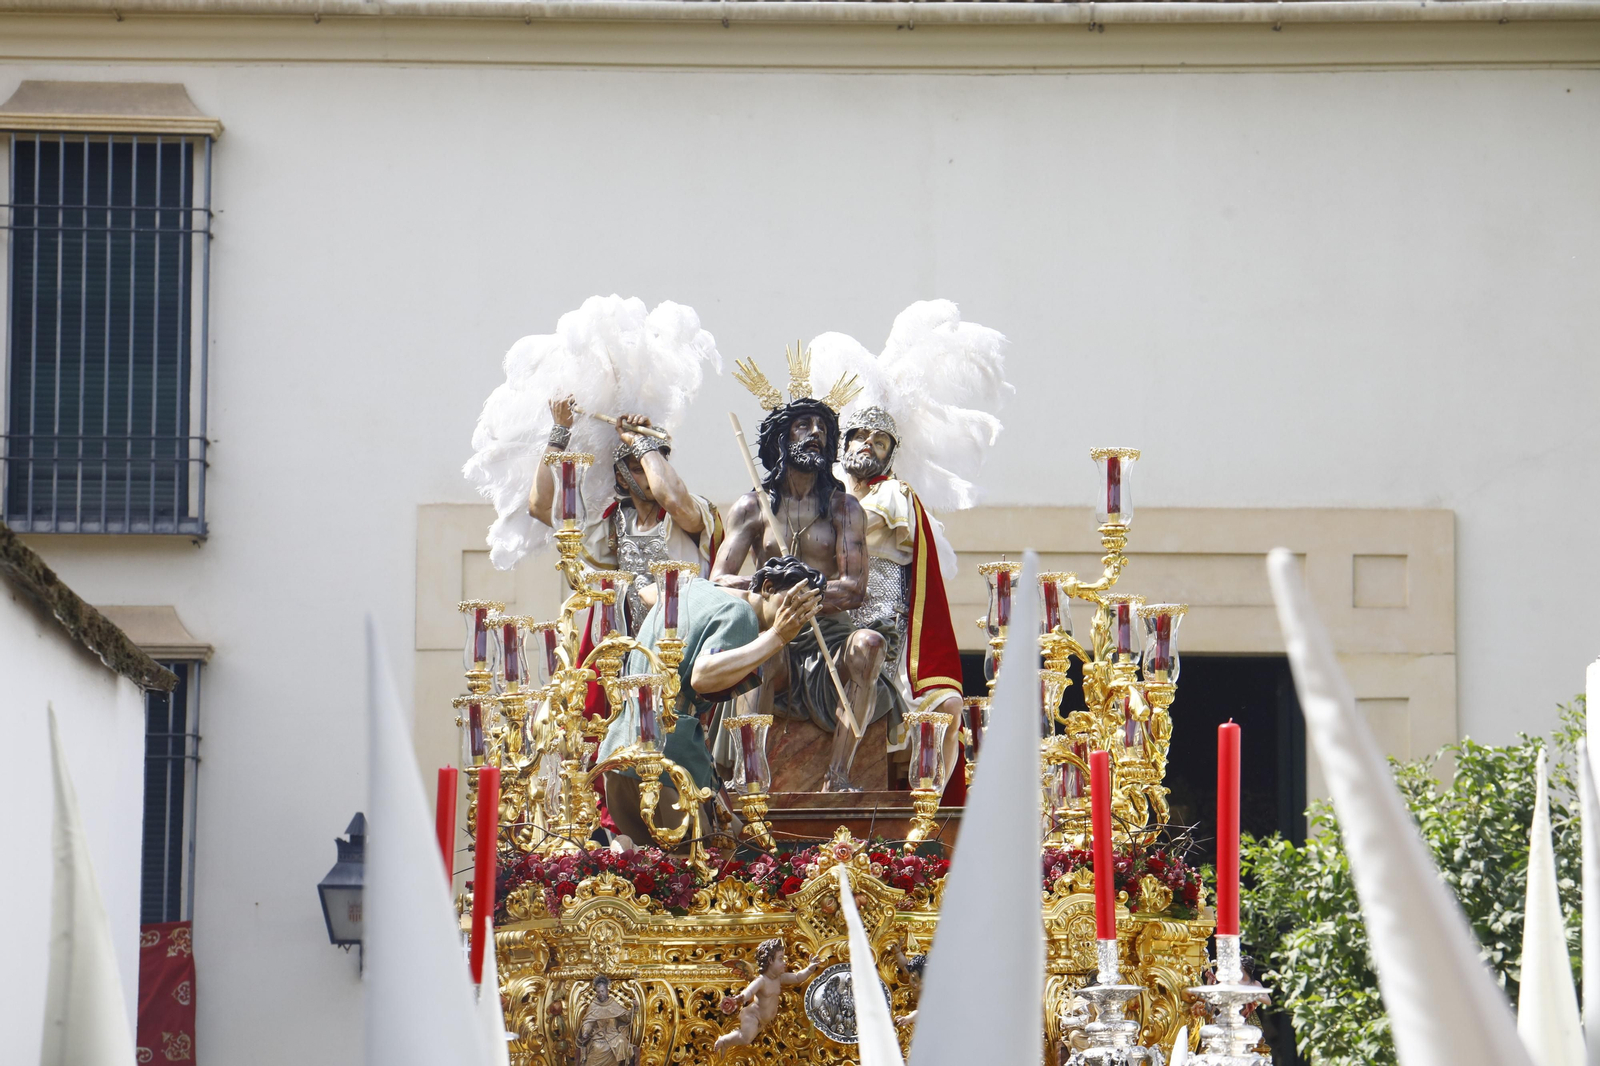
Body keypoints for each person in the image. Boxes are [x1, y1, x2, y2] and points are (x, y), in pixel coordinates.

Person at [715, 354, 897, 792]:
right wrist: (766, 586)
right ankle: (750, 775)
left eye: (822, 428)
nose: (815, 433)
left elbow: (853, 589)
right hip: (773, 632)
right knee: (764, 651)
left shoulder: (843, 508)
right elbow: (718, 580)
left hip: (830, 637)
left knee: (870, 644)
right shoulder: (752, 507)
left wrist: (808, 586)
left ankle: (838, 775)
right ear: (782, 438)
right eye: (803, 425)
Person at [596, 570, 822, 847]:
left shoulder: (694, 588)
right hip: (668, 755)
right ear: (768, 587)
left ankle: (624, 852)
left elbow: (647, 593)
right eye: (794, 603)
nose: (796, 616)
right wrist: (777, 636)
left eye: (806, 611)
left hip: (619, 751)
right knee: (708, 856)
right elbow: (702, 676)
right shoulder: (741, 614)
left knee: (652, 859)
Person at [838, 406, 966, 791]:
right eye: (860, 437)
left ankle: (928, 811)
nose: (868, 445)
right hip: (835, 624)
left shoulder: (893, 493)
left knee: (947, 707)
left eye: (879, 442)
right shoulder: (825, 493)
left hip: (891, 639)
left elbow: (856, 525)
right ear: (844, 444)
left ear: (890, 455)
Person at [530, 396, 722, 629]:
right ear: (622, 478)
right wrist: (560, 431)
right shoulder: (617, 523)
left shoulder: (690, 511)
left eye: (656, 463)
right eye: (639, 469)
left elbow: (671, 498)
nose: (651, 474)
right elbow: (540, 507)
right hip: (636, 645)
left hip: (690, 639)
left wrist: (640, 442)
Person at [713, 938, 828, 1055]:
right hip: (753, 1016)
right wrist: (740, 998)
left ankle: (726, 1043)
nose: (785, 962)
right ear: (770, 960)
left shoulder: (779, 978)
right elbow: (749, 991)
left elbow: (797, 977)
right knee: (746, 1038)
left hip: (764, 1021)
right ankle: (724, 1040)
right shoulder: (761, 981)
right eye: (780, 958)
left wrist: (810, 968)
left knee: (748, 1038)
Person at [575, 975, 637, 1066]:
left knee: (621, 1042)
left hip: (613, 1035)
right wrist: (585, 1032)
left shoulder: (613, 1004)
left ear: (607, 991)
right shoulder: (593, 1005)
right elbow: (588, 1022)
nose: (600, 994)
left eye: (602, 991)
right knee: (596, 1047)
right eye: (598, 992)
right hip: (599, 1037)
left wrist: (634, 1008)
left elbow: (626, 1018)